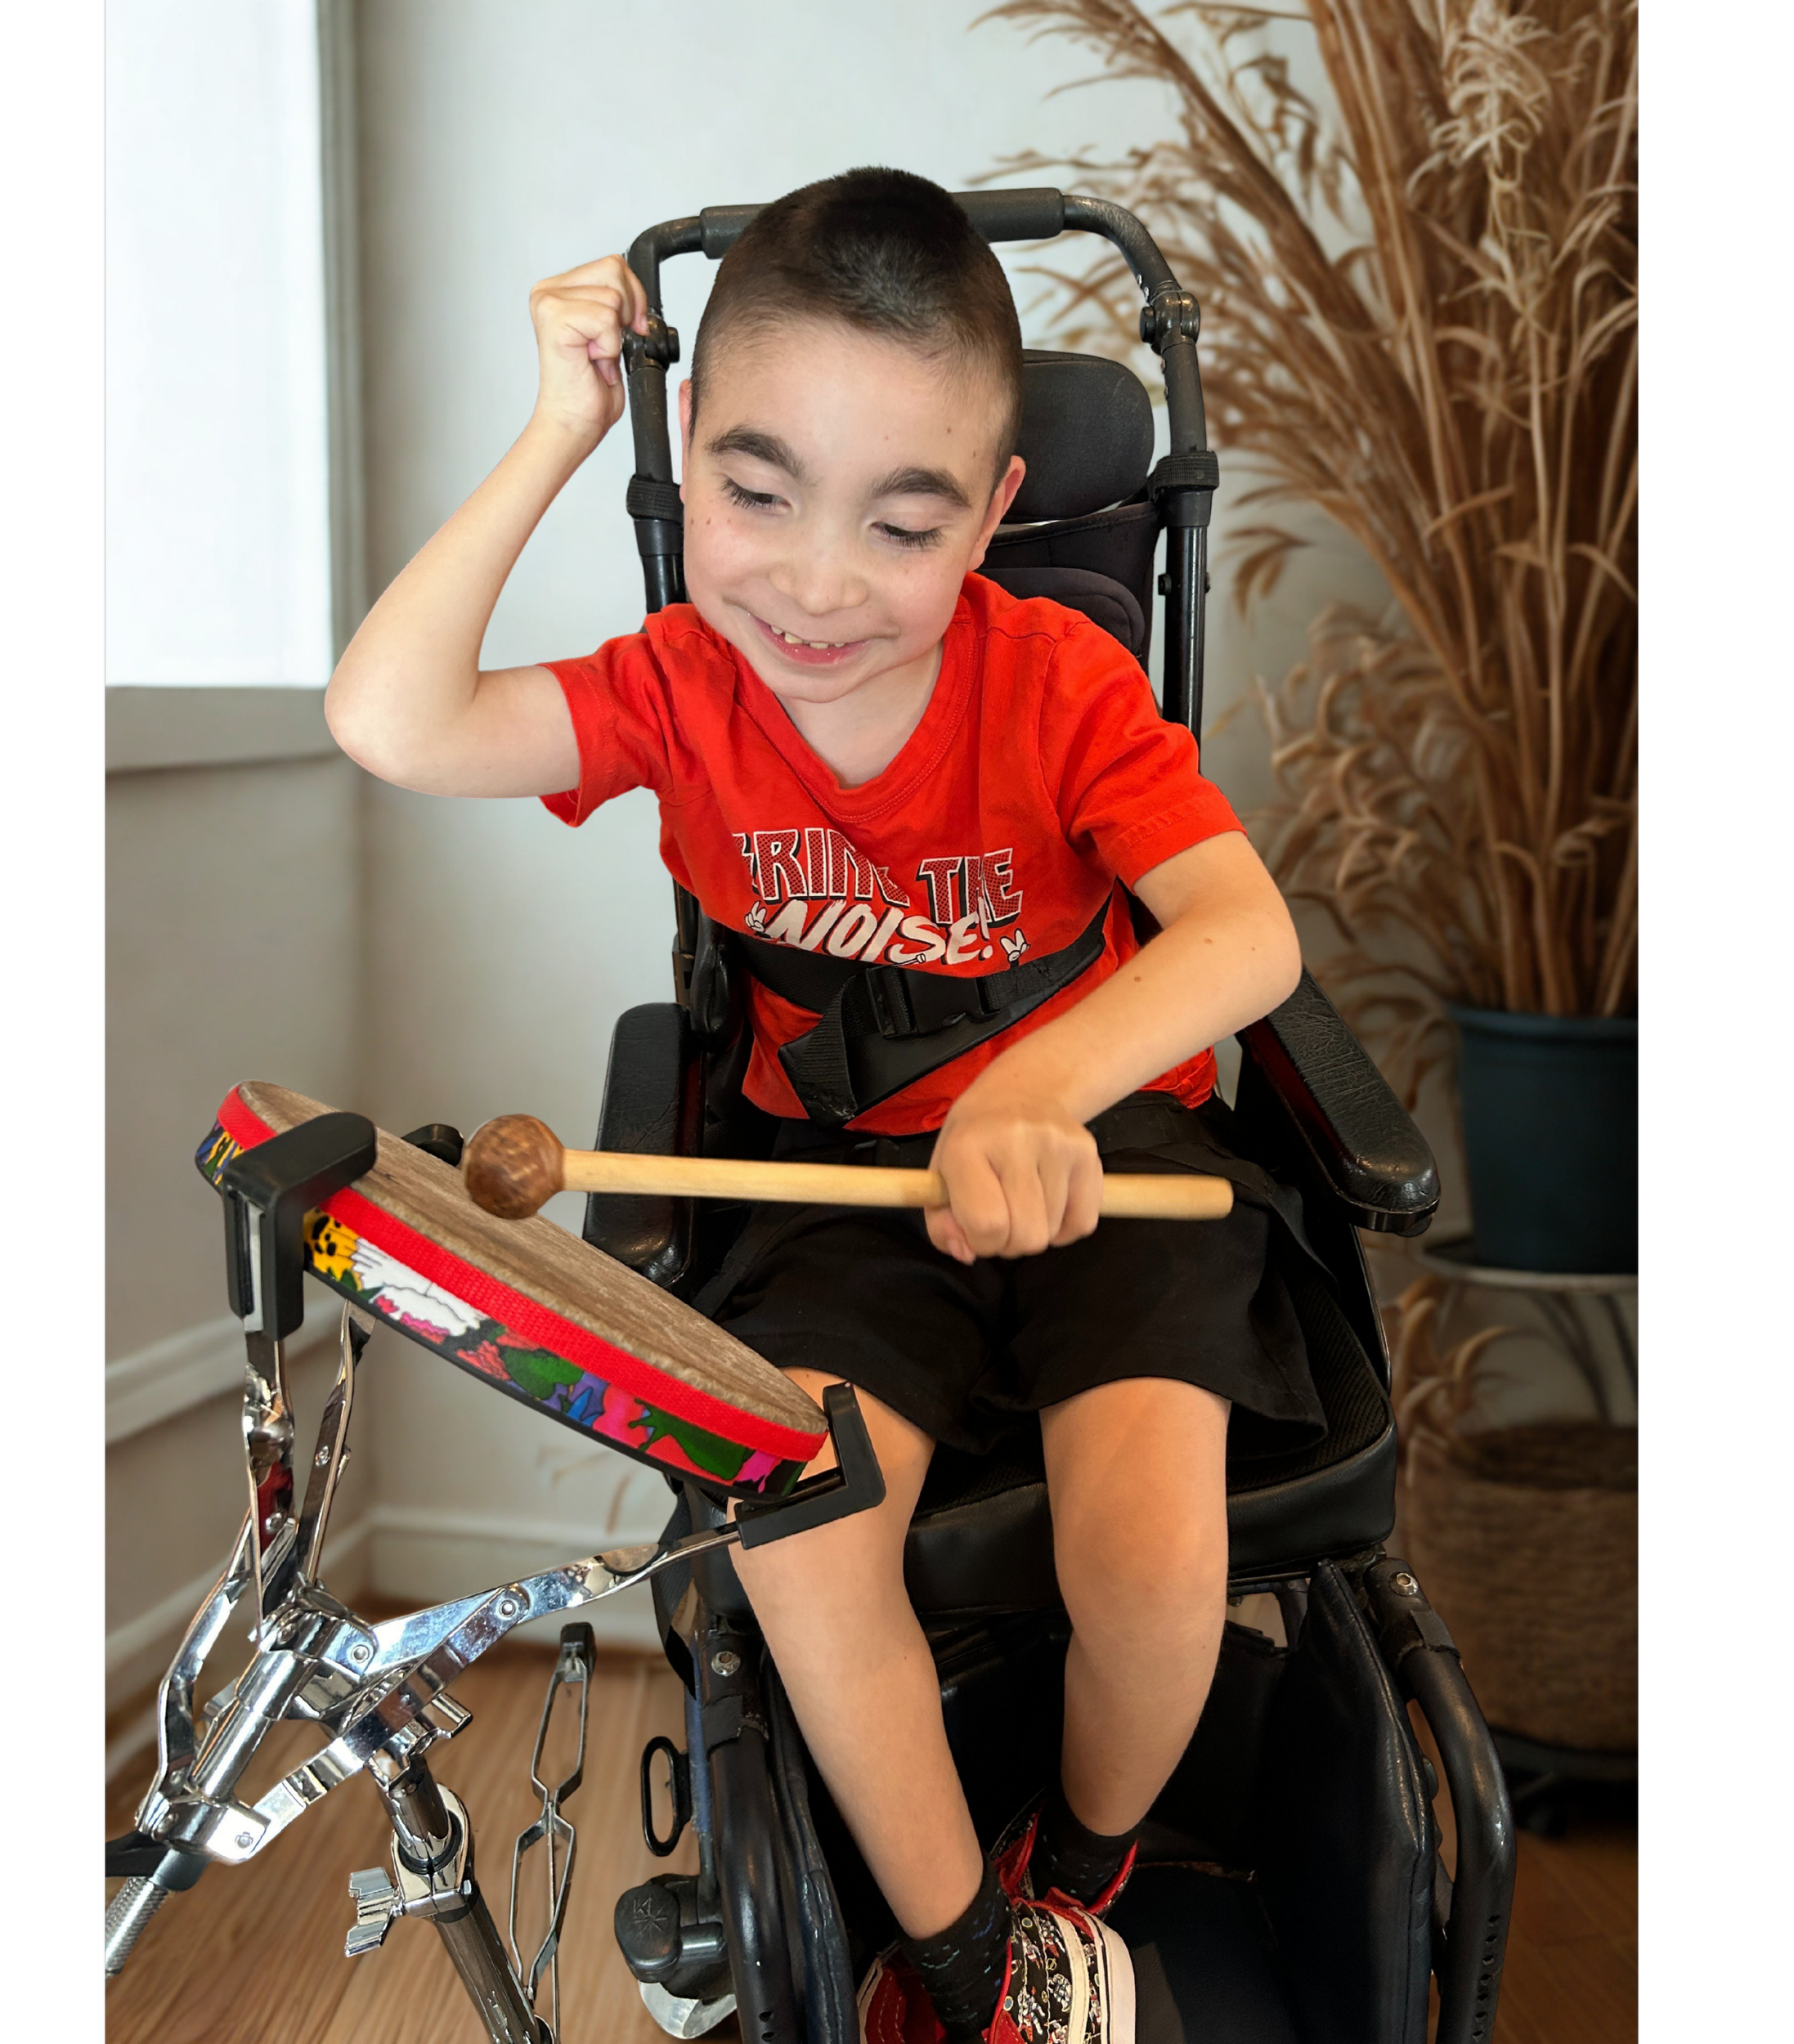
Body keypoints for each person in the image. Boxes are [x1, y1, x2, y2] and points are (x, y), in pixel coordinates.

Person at [328, 166, 1316, 2044]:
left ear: (992, 522)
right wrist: (558, 428)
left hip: (1107, 1165)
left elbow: (1242, 933)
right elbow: (390, 718)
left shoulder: (1061, 682)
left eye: (901, 522)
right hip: (835, 1189)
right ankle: (963, 1964)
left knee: (1152, 1554)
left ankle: (1077, 1872)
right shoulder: (679, 687)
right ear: (687, 451)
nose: (812, 582)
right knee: (795, 1525)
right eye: (753, 490)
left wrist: (1034, 1084)